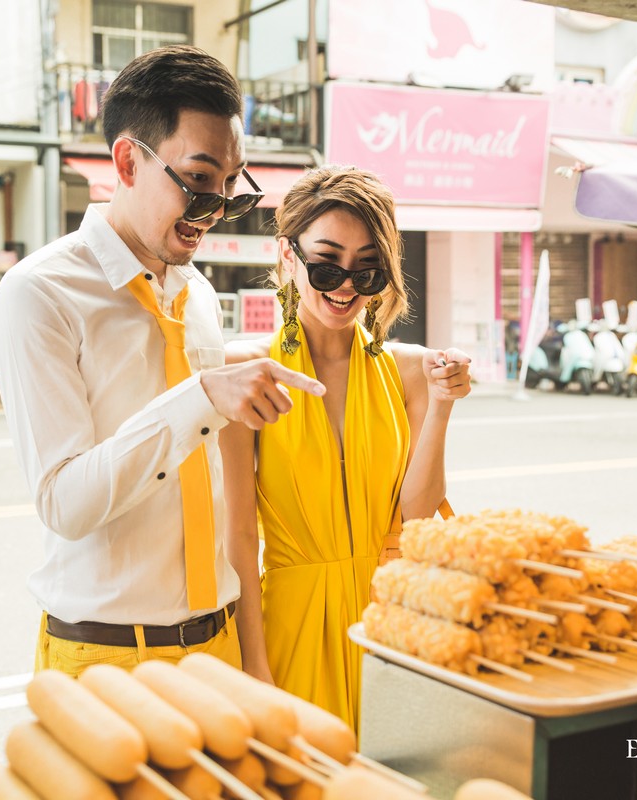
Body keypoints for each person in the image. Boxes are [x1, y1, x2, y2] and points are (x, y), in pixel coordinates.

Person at [0, 45, 324, 679]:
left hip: (218, 641)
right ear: (127, 161)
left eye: (230, 186)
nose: (216, 209)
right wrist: (200, 399)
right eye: (198, 181)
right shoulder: (40, 294)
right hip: (107, 654)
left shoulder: (193, 291)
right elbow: (64, 502)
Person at [221, 166, 472, 728]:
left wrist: (442, 404)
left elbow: (417, 515)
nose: (344, 285)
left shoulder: (411, 369)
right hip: (291, 627)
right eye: (327, 262)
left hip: (390, 626)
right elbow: (237, 536)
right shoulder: (246, 371)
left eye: (367, 268)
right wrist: (253, 667)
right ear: (288, 256)